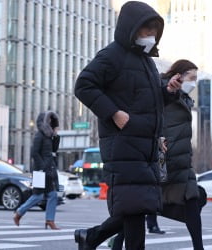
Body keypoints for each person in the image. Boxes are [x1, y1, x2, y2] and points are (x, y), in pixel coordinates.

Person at [73, 2, 181, 249]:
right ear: (132, 29)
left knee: (136, 207)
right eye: (146, 31)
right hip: (124, 145)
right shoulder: (111, 56)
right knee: (134, 210)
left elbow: (148, 102)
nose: (151, 37)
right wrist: (114, 113)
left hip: (145, 147)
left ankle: (90, 238)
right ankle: (90, 237)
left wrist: (168, 92)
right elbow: (84, 86)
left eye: (154, 31)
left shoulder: (146, 62)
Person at [158, 59, 204, 250]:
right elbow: (151, 117)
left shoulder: (185, 99)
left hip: (182, 162)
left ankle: (198, 248)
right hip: (163, 159)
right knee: (141, 206)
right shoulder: (162, 92)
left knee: (194, 199)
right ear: (179, 75)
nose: (193, 83)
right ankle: (98, 236)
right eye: (191, 77)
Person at [13, 111, 61, 230]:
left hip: (49, 170)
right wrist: (42, 167)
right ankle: (19, 213)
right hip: (40, 171)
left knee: (53, 195)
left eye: (52, 121)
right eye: (48, 121)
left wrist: (56, 135)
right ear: (44, 122)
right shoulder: (39, 135)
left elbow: (54, 149)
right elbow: (34, 153)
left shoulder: (50, 136)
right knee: (38, 196)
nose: (50, 123)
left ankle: (50, 220)